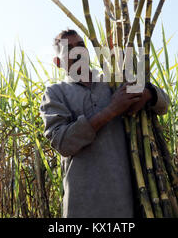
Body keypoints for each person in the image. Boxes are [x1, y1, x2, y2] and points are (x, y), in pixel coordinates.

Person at [39, 29, 170, 218]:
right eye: (69, 49)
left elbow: (164, 104)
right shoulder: (55, 93)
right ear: (58, 62)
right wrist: (111, 110)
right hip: (82, 204)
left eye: (80, 46)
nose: (77, 52)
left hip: (126, 201)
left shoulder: (112, 81)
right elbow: (63, 142)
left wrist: (148, 93)